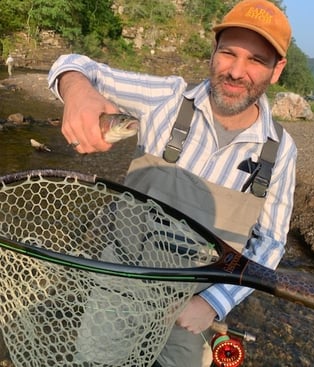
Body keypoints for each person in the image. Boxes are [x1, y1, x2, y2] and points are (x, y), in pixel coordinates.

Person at [48, 0, 296, 366]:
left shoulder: (282, 151)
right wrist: (77, 91)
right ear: (214, 52)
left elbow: (270, 243)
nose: (236, 71)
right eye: (228, 53)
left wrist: (215, 303)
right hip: (121, 283)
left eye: (256, 60)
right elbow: (71, 65)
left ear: (277, 70)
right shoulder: (165, 99)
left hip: (194, 304)